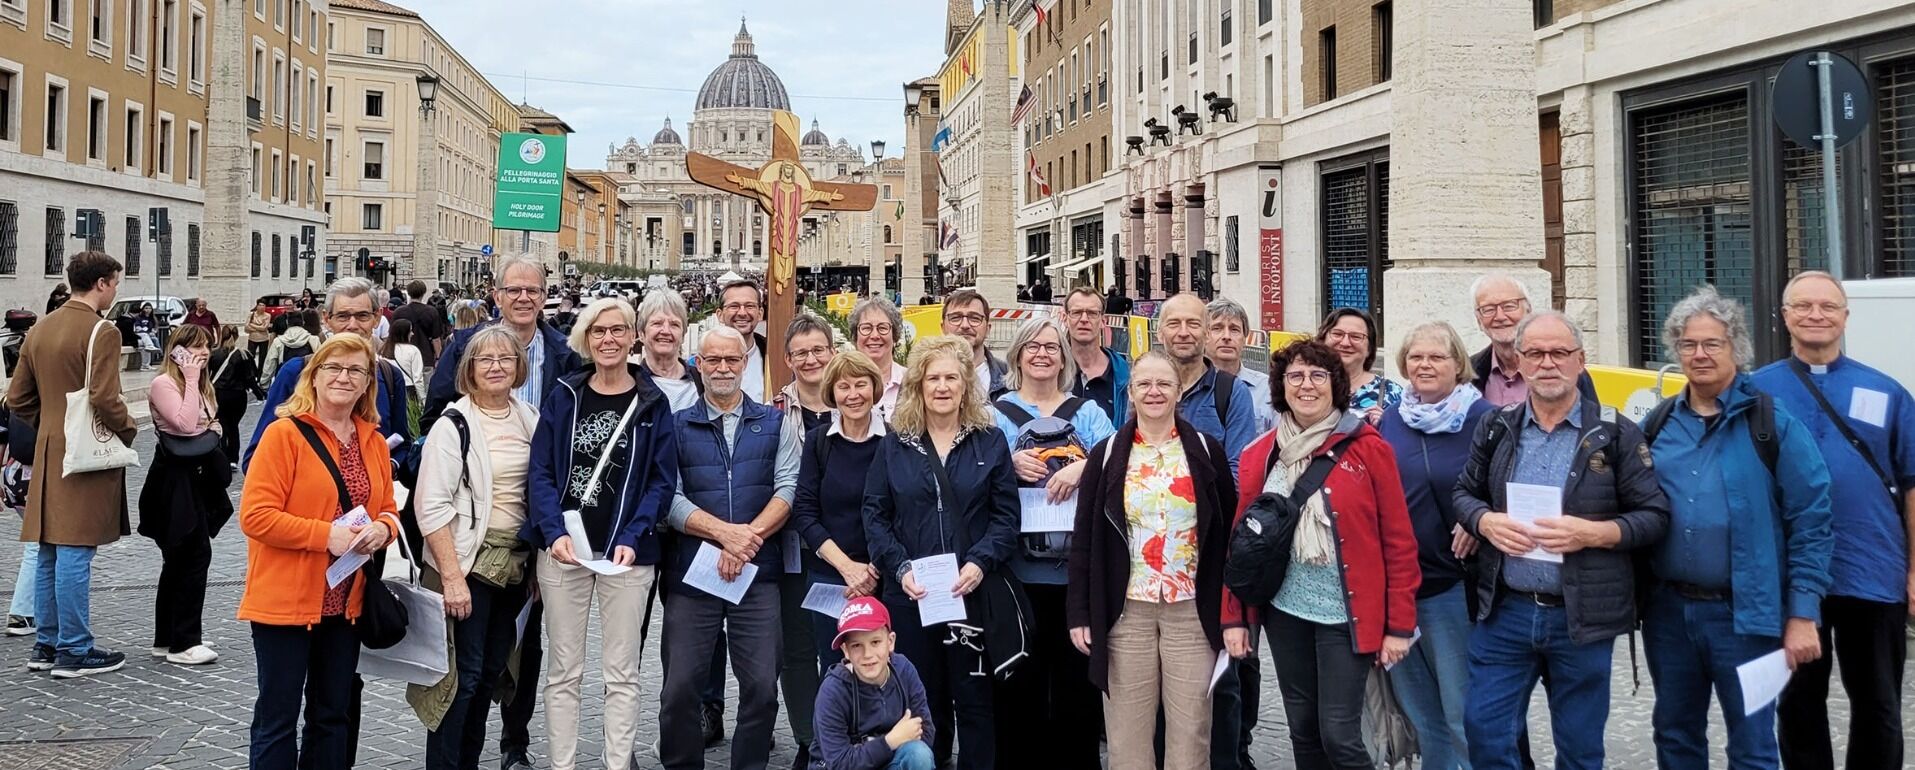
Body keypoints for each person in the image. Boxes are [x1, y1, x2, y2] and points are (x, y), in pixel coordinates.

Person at [1454, 310, 1670, 770]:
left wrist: (1595, 533)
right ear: (1521, 361)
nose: (1547, 363)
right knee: (1485, 734)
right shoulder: (1497, 426)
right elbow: (1464, 494)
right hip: (1506, 611)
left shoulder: (1614, 433)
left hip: (1581, 617)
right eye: (1534, 353)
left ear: (1580, 360)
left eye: (1559, 353)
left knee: (1579, 748)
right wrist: (1485, 522)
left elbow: (1654, 517)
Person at [1643, 286, 1833, 770]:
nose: (1699, 354)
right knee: (1674, 734)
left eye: (1712, 343)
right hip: (1668, 614)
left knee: (1752, 744)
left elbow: (1811, 520)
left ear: (1736, 349)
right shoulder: (1657, 424)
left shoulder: (1772, 424)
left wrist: (1803, 614)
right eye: (1688, 344)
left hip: (1747, 616)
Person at [1222, 339, 1420, 770]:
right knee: (1304, 730)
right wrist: (1235, 617)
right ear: (1281, 386)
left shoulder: (1369, 449)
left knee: (1340, 734)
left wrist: (1399, 625)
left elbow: (1399, 542)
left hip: (1345, 615)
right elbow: (1243, 545)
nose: (1306, 385)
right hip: (1284, 611)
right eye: (1295, 376)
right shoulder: (1260, 454)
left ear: (1335, 384)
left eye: (1317, 375)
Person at [1752, 271, 1915, 770]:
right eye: (1803, 306)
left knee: (1879, 704)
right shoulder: (1756, 392)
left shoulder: (1886, 392)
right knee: (1798, 704)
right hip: (1794, 576)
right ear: (1785, 317)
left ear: (1846, 316)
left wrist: (1914, 568)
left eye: (1827, 306)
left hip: (1873, 569)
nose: (1815, 315)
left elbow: (1912, 485)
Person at [1065, 351, 1237, 770]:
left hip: (1191, 610)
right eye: (1144, 384)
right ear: (1131, 392)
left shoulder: (1204, 450)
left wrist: (1233, 613)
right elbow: (1085, 539)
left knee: (1191, 733)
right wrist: (1080, 614)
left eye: (1164, 384)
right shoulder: (1107, 455)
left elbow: (1227, 537)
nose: (1154, 392)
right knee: (1126, 737)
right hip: (1126, 612)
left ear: (1180, 391)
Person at [524, 297, 676, 770]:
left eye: (617, 330)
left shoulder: (653, 402)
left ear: (634, 338)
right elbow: (542, 472)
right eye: (598, 331)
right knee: (563, 671)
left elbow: (661, 480)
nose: (608, 340)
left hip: (627, 553)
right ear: (585, 339)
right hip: (564, 549)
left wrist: (635, 533)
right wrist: (552, 532)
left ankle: (616, 763)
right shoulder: (564, 395)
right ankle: (563, 764)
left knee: (622, 673)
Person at [238, 333, 401, 769]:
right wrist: (324, 535)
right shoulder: (283, 435)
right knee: (278, 717)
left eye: (356, 371)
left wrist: (383, 530)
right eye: (334, 368)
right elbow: (255, 517)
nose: (344, 378)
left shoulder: (371, 440)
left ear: (368, 383)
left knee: (332, 715)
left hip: (345, 601)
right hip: (286, 602)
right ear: (314, 376)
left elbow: (387, 508)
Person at [862, 336, 1019, 770]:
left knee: (974, 703)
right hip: (912, 594)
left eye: (952, 377)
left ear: (967, 384)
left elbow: (1006, 519)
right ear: (918, 385)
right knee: (920, 706)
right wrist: (899, 567)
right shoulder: (896, 443)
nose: (943, 386)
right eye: (933, 378)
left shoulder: (989, 442)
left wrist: (979, 561)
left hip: (970, 592)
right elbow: (875, 514)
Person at [659, 325, 801, 770]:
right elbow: (669, 497)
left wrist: (743, 542)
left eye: (732, 360)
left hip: (757, 573)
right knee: (680, 687)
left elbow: (788, 489)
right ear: (698, 365)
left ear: (745, 365)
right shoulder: (675, 426)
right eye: (713, 360)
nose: (723, 368)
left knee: (761, 685)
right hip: (691, 574)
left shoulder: (775, 423)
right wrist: (724, 534)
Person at [414, 326, 542, 770]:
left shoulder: (529, 417)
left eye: (505, 360)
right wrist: (451, 577)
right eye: (485, 360)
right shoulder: (453, 426)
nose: (496, 367)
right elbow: (430, 506)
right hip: (466, 565)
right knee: (460, 680)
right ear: (468, 369)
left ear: (518, 367)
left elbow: (540, 494)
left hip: (514, 565)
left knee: (490, 675)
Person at [989, 317, 1114, 768]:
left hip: (1074, 574)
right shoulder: (994, 414)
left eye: (1051, 347)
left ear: (1063, 358)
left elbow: (1115, 464)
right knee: (1017, 682)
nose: (1042, 354)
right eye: (1033, 347)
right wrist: (1006, 461)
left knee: (1076, 687)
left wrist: (1084, 467)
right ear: (1017, 354)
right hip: (1015, 573)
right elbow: (974, 477)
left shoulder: (1088, 414)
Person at [6, 251, 136, 678]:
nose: (115, 290)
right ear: (100, 283)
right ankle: (75, 648)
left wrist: (49, 425)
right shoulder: (103, 330)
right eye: (114, 283)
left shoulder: (40, 329)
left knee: (47, 548)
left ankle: (46, 644)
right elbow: (104, 396)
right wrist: (127, 429)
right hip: (83, 451)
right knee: (76, 548)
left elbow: (18, 397)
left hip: (48, 447)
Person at [1377, 321, 1495, 770]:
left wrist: (1478, 514)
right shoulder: (1393, 418)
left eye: (1436, 357)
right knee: (1420, 711)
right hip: (1400, 587)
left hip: (1452, 585)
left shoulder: (1483, 418)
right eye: (1416, 357)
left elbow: (1505, 481)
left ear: (1458, 364)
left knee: (1461, 712)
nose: (1424, 365)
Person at [1152, 292, 1257, 768]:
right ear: (1160, 332)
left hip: (1213, 547)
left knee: (1223, 672)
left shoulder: (1231, 394)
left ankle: (1230, 758)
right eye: (1174, 324)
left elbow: (1238, 472)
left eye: (1194, 324)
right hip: (1154, 552)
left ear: (1205, 331)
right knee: (1158, 674)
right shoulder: (1148, 384)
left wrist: (1180, 504)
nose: (1184, 333)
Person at [138, 324, 233, 666]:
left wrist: (199, 394)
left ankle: (169, 637)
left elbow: (211, 424)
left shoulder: (202, 384)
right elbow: (184, 423)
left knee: (180, 562)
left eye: (206, 346)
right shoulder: (165, 383)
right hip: (172, 482)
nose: (203, 353)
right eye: (193, 347)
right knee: (191, 558)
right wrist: (191, 379)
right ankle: (184, 643)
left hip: (196, 479)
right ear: (177, 352)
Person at [245, 279, 411, 470]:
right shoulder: (296, 372)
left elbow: (402, 443)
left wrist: (390, 466)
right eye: (342, 316)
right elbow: (256, 457)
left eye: (362, 316)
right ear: (326, 318)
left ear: (377, 317)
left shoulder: (389, 376)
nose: (352, 325)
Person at [794, 352, 888, 672]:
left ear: (874, 389)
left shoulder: (896, 441)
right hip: (832, 578)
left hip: (883, 578)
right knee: (835, 670)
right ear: (832, 393)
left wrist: (872, 572)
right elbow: (805, 512)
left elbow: (906, 512)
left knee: (881, 668)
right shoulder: (819, 442)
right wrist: (848, 568)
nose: (853, 394)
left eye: (861, 384)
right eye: (843, 386)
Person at [771, 314, 836, 767]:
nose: (811, 359)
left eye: (819, 350)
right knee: (796, 648)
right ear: (788, 359)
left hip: (847, 548)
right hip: (795, 547)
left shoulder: (856, 399)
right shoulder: (775, 411)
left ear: (832, 352)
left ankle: (841, 735)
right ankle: (807, 738)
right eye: (801, 352)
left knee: (842, 644)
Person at [814, 596, 937, 770]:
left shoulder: (904, 669)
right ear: (845, 651)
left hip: (890, 761)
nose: (867, 654)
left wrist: (888, 744)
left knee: (919, 754)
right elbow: (839, 762)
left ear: (890, 642)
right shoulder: (832, 691)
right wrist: (891, 740)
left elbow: (926, 731)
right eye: (857, 645)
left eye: (875, 642)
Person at [1467, 275, 1597, 407]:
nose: (1500, 316)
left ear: (1528, 311)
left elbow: (1590, 422)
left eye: (1509, 306)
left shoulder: (1566, 370)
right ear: (1478, 321)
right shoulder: (1468, 371)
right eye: (1488, 309)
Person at [1316, 307, 1401, 423]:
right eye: (1337, 334)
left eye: (1356, 337)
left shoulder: (1392, 393)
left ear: (1369, 348)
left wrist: (1386, 426)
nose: (1345, 343)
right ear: (1322, 340)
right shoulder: (1304, 386)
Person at [1206, 298, 1276, 434]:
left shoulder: (1268, 389)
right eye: (1217, 328)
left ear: (1244, 338)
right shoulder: (1188, 388)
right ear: (1203, 336)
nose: (1226, 336)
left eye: (1234, 329)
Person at [1064, 288, 1130, 426]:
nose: (1084, 319)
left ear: (1103, 321)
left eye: (1092, 313)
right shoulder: (1052, 370)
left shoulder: (1125, 374)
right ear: (1065, 319)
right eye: (1076, 313)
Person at [634, 290, 703, 411]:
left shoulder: (701, 381)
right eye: (657, 323)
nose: (666, 331)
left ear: (683, 335)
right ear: (641, 333)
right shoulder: (630, 385)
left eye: (674, 324)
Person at [209, 325, 266, 465]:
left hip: (219, 393)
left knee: (221, 424)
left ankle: (221, 455)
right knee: (233, 426)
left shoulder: (214, 355)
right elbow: (250, 378)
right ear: (236, 337)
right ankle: (233, 458)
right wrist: (260, 394)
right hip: (238, 395)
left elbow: (206, 376)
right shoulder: (244, 355)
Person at [939, 289, 1008, 400]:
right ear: (942, 327)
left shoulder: (1009, 376)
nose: (965, 325)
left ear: (988, 328)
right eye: (955, 318)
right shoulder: (922, 376)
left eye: (975, 318)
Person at [850, 296, 908, 421]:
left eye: (882, 328)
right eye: (866, 328)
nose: (875, 335)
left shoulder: (912, 380)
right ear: (855, 336)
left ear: (895, 336)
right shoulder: (841, 384)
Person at [717, 280, 771, 402]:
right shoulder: (702, 362)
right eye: (734, 306)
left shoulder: (774, 357)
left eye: (749, 306)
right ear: (720, 314)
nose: (742, 313)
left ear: (760, 313)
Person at [260, 312, 318, 391]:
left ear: (287, 323)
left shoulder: (279, 341)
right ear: (303, 322)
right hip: (307, 384)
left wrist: (264, 384)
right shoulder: (313, 340)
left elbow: (270, 364)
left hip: (284, 384)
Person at [393, 279, 449, 362]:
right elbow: (436, 339)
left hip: (402, 357)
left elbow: (392, 336)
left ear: (408, 293)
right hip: (425, 357)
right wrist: (438, 358)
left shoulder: (399, 312)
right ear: (424, 293)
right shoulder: (432, 312)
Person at [386, 318, 427, 405]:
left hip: (389, 389)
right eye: (410, 331)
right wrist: (423, 399)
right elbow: (418, 378)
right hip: (408, 390)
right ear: (405, 333)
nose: (412, 333)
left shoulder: (384, 350)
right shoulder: (413, 350)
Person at [247, 298, 276, 363]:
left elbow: (264, 328)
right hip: (252, 339)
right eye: (260, 305)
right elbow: (246, 327)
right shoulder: (251, 314)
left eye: (263, 305)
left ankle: (260, 372)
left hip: (264, 339)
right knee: (250, 356)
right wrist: (258, 328)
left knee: (262, 358)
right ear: (257, 306)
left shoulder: (268, 315)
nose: (262, 307)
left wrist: (252, 325)